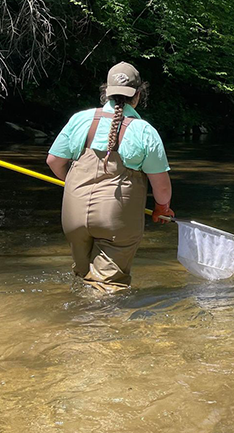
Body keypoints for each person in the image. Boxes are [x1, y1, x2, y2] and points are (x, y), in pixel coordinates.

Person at [45, 62, 174, 293]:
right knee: (107, 288)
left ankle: (72, 323)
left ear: (106, 92)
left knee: (82, 278)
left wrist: (74, 186)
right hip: (117, 219)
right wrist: (162, 208)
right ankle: (99, 326)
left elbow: (53, 161)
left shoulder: (79, 119)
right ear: (138, 95)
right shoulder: (144, 131)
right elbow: (161, 187)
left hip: (73, 213)